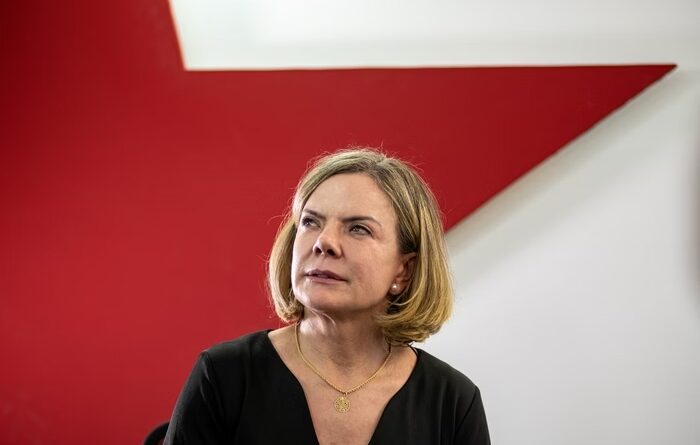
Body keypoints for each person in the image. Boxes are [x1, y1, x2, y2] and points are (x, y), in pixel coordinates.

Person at [164, 148, 490, 444]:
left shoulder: (453, 402)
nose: (324, 242)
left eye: (358, 228)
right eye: (310, 222)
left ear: (403, 270)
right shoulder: (223, 375)